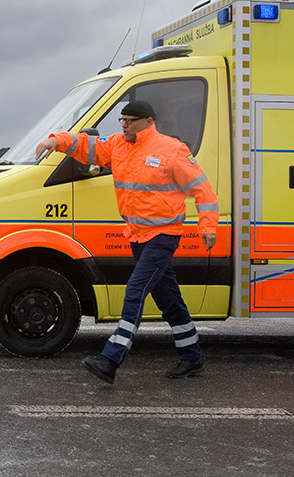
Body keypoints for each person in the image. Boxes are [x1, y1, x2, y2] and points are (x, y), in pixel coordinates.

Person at [35, 100, 218, 384]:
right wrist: (55, 141)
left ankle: (111, 358)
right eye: (122, 120)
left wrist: (208, 227)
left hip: (163, 237)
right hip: (137, 236)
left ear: (148, 121)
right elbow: (85, 145)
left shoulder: (172, 150)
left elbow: (203, 191)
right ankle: (192, 356)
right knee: (168, 298)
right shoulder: (117, 145)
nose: (124, 125)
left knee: (135, 291)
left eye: (130, 120)